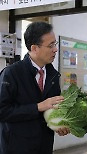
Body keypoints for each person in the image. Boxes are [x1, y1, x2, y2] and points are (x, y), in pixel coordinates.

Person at [0, 22, 70, 154]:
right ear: (34, 48)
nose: (55, 49)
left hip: (44, 147)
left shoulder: (53, 76)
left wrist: (57, 124)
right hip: (16, 148)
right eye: (51, 45)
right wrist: (38, 107)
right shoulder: (11, 73)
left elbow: (51, 111)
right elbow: (2, 111)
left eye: (55, 44)